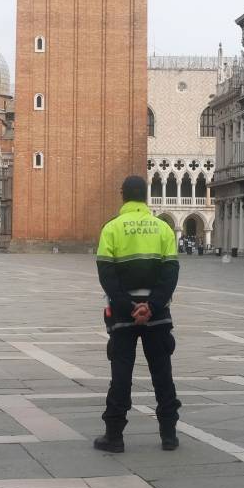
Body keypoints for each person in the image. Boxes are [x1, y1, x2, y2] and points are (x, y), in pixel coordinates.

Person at [93, 175, 183, 453]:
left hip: (122, 315)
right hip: (157, 315)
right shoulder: (163, 228)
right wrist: (151, 306)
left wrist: (129, 307)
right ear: (145, 196)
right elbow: (170, 274)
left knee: (121, 373)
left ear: (122, 195)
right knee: (162, 372)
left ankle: (114, 435)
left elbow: (106, 275)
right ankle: (168, 435)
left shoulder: (112, 228)